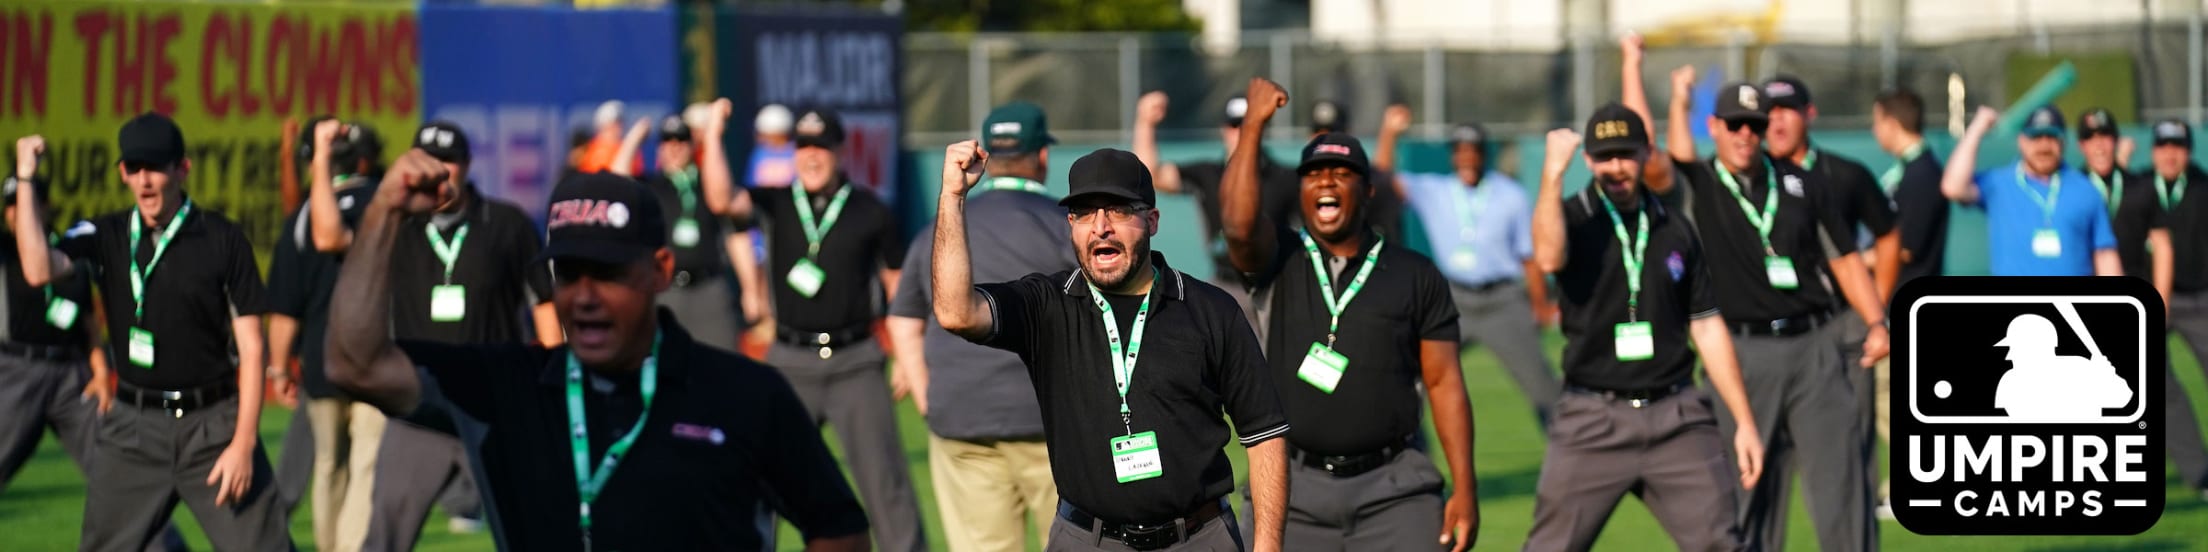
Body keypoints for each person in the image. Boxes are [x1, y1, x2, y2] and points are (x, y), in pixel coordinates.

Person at [324, 163, 872, 550]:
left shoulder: (745, 394)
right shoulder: (509, 386)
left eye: (608, 273)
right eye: (569, 274)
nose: (585, 296)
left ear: (659, 270)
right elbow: (354, 363)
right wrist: (384, 213)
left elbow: (839, 529)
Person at [932, 144, 1290, 551]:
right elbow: (956, 313)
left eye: (1118, 210)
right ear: (1070, 225)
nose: (1100, 226)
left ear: (1152, 220)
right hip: (1087, 539)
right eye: (1084, 212)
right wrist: (953, 197)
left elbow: (1265, 434)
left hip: (1198, 537)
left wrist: (1268, 546)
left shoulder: (1211, 310)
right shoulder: (1047, 305)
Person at [1220, 78, 1480, 551]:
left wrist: (1465, 487)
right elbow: (1238, 224)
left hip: (1394, 489)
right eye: (1315, 173)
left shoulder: (1414, 273)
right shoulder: (1281, 255)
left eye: (1342, 173)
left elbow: (1444, 383)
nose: (1326, 181)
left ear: (1368, 190)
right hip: (1291, 488)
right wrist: (1253, 124)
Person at [14, 115, 292, 551]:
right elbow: (36, 268)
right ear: (123, 172)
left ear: (182, 169)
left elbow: (252, 349)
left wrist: (243, 442)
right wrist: (26, 177)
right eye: (134, 168)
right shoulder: (104, 234)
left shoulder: (222, 238)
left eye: (156, 168)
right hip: (132, 432)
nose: (144, 182)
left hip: (213, 429)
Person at [1659, 60, 1887, 550]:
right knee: (1748, 483)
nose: (1746, 134)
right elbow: (1675, 152)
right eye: (1735, 124)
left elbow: (1844, 258)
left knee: (1842, 479)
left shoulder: (1800, 183)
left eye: (1755, 125)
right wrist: (1679, 98)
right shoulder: (1700, 184)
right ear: (1714, 127)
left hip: (1815, 345)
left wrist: (1876, 321)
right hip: (1741, 353)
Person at [1523, 102, 1766, 552]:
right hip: (1592, 418)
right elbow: (1549, 257)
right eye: (1604, 156)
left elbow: (1707, 326)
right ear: (1589, 161)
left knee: (1724, 544)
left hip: (1676, 416)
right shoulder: (1574, 218)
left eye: (1626, 154)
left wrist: (1745, 422)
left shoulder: (1675, 226)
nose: (1616, 167)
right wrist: (1552, 175)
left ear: (1645, 153)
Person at [308, 121, 563, 549]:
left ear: (466, 165)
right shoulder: (395, 224)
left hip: (493, 401)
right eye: (427, 160)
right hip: (419, 400)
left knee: (538, 532)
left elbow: (544, 304)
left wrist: (554, 386)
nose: (438, 170)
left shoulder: (505, 222)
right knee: (383, 536)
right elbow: (329, 236)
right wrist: (321, 159)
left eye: (448, 161)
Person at [716, 107, 926, 552]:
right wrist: (713, 135)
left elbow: (896, 286)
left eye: (820, 148)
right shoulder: (774, 202)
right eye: (803, 147)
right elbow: (720, 201)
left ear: (838, 151)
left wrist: (908, 359)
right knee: (760, 478)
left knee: (885, 483)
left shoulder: (871, 209)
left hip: (856, 361)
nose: (811, 157)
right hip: (789, 361)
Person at [887, 101, 1071, 552]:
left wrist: (926, 391)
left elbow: (903, 316)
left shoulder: (937, 228)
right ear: (1042, 157)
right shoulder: (1068, 226)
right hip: (1053, 425)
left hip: (961, 419)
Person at [1382, 115, 1563, 427]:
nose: (1467, 157)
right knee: (1412, 379)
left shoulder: (1510, 194)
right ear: (1453, 155)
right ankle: (1409, 460)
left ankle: (1575, 458)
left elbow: (1527, 256)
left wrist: (1540, 303)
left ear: (1484, 154)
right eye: (1460, 150)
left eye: (1473, 150)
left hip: (1503, 299)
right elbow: (1383, 179)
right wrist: (1389, 132)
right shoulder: (1435, 190)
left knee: (1543, 387)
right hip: (1453, 299)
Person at [269, 118, 387, 552]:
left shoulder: (300, 216)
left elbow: (284, 306)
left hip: (321, 360)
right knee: (366, 463)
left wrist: (278, 366)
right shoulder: (385, 205)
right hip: (375, 355)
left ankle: (330, 546)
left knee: (327, 465)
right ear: (365, 160)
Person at [607, 100, 760, 352]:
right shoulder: (651, 186)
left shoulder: (707, 184)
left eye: (681, 141)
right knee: (661, 373)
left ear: (692, 145)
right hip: (664, 291)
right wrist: (635, 137)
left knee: (722, 372)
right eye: (667, 141)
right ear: (659, 149)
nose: (674, 148)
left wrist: (751, 289)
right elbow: (616, 183)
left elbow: (736, 233)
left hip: (710, 290)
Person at [1131, 91, 1302, 310]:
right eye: (1235, 124)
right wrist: (1145, 122)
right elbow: (1151, 175)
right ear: (1224, 130)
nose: (1241, 132)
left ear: (1262, 129)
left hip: (1273, 288)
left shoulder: (1285, 178)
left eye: (1249, 125)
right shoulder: (1208, 175)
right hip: (1223, 286)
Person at [1867, 87, 1949, 517]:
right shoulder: (1906, 170)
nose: (1873, 128)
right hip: (1897, 302)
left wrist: (1851, 261)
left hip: (1908, 303)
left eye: (1876, 120)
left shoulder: (1921, 174)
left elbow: (1905, 246)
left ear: (1892, 122)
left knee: (1891, 399)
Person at [1941, 105, 2121, 277]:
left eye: (2051, 137)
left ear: (2063, 142)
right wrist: (1977, 128)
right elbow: (1953, 187)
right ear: (2021, 141)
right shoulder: (1999, 184)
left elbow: (2105, 254)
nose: (2044, 146)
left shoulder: (2086, 190)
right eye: (2036, 137)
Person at [2141, 118, 2208, 501]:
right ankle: (2200, 475)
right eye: (2164, 146)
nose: (2170, 153)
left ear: (2188, 150)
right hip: (2153, 298)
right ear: (2154, 150)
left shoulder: (2203, 186)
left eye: (2178, 146)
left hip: (2200, 297)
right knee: (2159, 388)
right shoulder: (2138, 186)